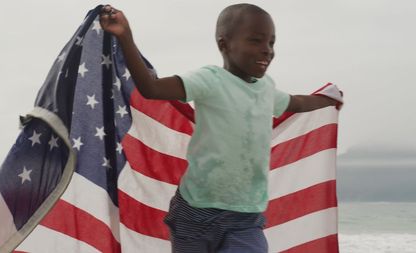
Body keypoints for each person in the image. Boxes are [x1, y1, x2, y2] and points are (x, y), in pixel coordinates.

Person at [100, 3, 343, 253]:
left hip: (245, 218)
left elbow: (297, 102)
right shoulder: (210, 80)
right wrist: (125, 35)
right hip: (194, 213)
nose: (267, 50)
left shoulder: (266, 88)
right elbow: (152, 89)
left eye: (271, 43)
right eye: (256, 41)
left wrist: (329, 99)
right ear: (224, 44)